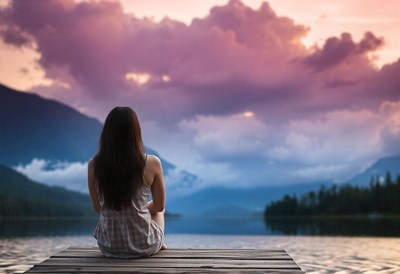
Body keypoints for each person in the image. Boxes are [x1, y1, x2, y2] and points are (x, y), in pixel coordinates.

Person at [88, 106, 166, 258]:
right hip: (144, 246)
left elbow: (98, 208)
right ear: (135, 132)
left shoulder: (94, 165)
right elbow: (158, 205)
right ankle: (159, 243)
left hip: (109, 247)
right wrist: (140, 209)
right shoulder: (151, 162)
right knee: (160, 211)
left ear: (107, 133)